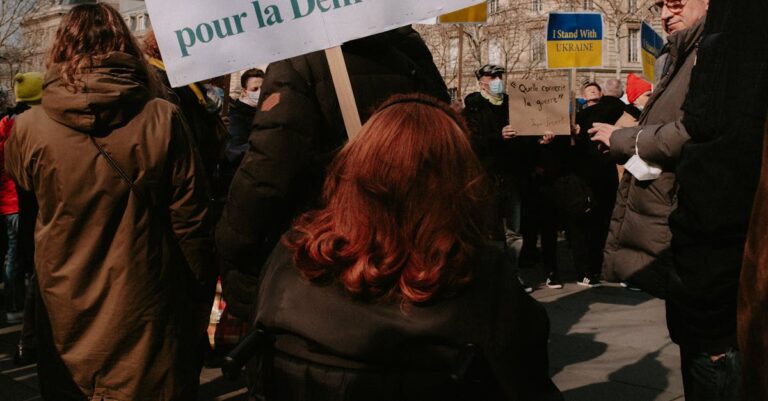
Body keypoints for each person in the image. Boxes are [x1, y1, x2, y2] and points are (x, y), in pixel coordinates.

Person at [248, 93, 563, 401]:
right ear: (459, 180)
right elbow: (527, 381)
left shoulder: (293, 255)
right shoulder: (481, 275)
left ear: (354, 167)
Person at [4, 4, 216, 400]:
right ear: (124, 44)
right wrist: (199, 299)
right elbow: (191, 221)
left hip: (64, 301)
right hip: (144, 302)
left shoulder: (29, 127)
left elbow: (29, 192)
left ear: (60, 46)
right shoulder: (161, 117)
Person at [216, 25, 450, 321]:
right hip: (416, 248)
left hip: (332, 253)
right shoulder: (408, 48)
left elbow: (266, 173)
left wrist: (232, 245)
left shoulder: (300, 60)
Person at [668, 0, 767, 398]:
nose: (665, 11)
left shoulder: (741, 24)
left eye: (673, 2)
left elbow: (718, 158)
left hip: (724, 305)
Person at [589, 0, 707, 297]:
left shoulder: (711, 55)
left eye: (675, 4)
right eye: (660, 7)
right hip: (669, 222)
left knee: (703, 331)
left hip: (689, 223)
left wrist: (624, 140)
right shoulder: (680, 55)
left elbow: (693, 131)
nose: (666, 15)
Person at [462, 64, 537, 292]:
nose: (496, 79)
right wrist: (499, 137)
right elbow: (470, 142)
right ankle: (490, 278)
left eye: (498, 76)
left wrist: (540, 137)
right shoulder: (472, 110)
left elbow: (527, 137)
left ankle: (513, 276)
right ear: (481, 81)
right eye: (491, 76)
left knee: (514, 232)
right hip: (485, 177)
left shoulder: (515, 104)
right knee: (487, 231)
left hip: (512, 176)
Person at [564, 80, 625, 288]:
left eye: (595, 89)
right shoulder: (578, 117)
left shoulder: (604, 111)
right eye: (588, 90)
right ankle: (590, 269)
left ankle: (594, 268)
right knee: (592, 224)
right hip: (590, 177)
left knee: (599, 223)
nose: (592, 92)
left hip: (599, 175)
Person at [225, 68, 264, 166]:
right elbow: (235, 151)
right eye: (255, 89)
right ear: (245, 91)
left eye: (263, 88)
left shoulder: (265, 110)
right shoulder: (236, 116)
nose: (260, 92)